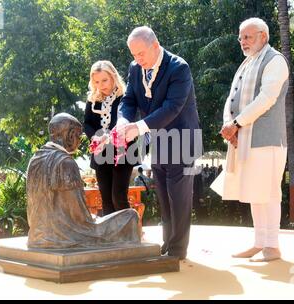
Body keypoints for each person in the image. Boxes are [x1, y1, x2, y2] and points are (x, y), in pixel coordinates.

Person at [116, 26, 201, 260]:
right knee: (164, 195)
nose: (137, 59)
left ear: (155, 45)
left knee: (180, 198)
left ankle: (177, 251)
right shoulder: (135, 68)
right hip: (159, 140)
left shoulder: (179, 68)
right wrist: (123, 120)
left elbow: (172, 108)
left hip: (183, 139)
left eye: (140, 53)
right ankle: (168, 245)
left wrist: (138, 128)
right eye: (133, 54)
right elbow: (129, 99)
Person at [213, 18, 289, 262]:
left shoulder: (275, 60)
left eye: (248, 37)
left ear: (263, 37)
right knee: (255, 193)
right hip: (245, 138)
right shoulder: (248, 63)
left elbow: (267, 98)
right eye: (240, 38)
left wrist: (236, 124)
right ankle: (259, 242)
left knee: (268, 193)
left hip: (267, 140)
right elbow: (232, 97)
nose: (242, 42)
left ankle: (273, 246)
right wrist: (230, 125)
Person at [26, 113, 140, 249]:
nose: (79, 141)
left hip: (37, 234)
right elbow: (79, 217)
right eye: (79, 136)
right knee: (130, 216)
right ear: (70, 135)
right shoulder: (65, 162)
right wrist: (94, 218)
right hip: (66, 235)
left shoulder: (35, 160)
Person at [84, 60, 136, 216]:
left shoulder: (125, 97)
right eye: (97, 81)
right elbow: (87, 124)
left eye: (104, 80)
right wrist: (95, 137)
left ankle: (129, 233)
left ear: (113, 76)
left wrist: (110, 136)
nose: (101, 85)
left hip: (123, 151)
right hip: (101, 152)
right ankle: (111, 237)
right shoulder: (92, 100)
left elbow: (128, 119)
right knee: (106, 199)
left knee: (118, 197)